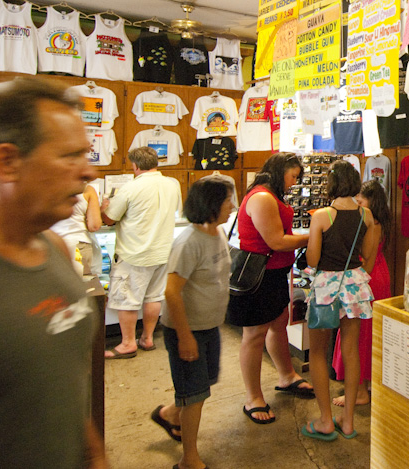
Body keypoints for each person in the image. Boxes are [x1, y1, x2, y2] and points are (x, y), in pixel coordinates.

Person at [0, 77, 106, 467]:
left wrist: (95, 456)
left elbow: (62, 388)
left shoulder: (51, 246)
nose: (88, 173)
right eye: (70, 156)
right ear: (6, 161)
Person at [151, 175, 235, 469]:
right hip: (187, 331)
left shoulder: (217, 233)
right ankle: (189, 460)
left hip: (209, 326)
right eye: (228, 201)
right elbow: (171, 291)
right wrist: (185, 337)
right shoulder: (189, 242)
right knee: (195, 395)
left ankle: (168, 414)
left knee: (203, 385)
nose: (233, 206)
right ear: (211, 204)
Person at [227, 152, 314, 424]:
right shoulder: (263, 197)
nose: (294, 183)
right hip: (259, 276)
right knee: (254, 334)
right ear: (280, 172)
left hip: (274, 273)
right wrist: (314, 236)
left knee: (278, 323)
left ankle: (287, 375)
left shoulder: (269, 195)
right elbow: (276, 241)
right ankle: (253, 397)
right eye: (292, 176)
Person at [302, 161, 377, 442]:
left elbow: (312, 259)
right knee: (351, 350)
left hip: (326, 288)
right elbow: (367, 254)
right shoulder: (366, 214)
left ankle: (324, 421)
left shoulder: (322, 215)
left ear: (331, 184)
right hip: (355, 285)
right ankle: (347, 423)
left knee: (318, 353)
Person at [101, 146, 184, 358]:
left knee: (127, 299)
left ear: (135, 166)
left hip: (135, 253)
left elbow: (110, 218)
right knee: (153, 297)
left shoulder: (131, 188)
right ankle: (147, 338)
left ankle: (128, 343)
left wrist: (104, 207)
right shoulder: (172, 185)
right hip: (163, 251)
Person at [332, 180, 391, 407]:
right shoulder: (378, 221)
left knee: (357, 334)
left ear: (370, 201)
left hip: (366, 278)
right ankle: (364, 384)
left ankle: (358, 392)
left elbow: (363, 259)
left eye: (361, 199)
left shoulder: (369, 222)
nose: (357, 202)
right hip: (378, 274)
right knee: (367, 332)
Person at [51, 180, 103, 276]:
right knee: (81, 287)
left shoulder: (46, 187)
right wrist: (102, 209)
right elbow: (94, 226)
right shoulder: (88, 189)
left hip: (54, 245)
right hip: (80, 245)